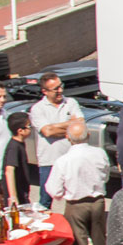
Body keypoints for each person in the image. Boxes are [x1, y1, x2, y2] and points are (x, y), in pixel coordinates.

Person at [43, 118, 110, 245]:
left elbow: (53, 189)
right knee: (100, 242)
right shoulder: (100, 153)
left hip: (75, 205)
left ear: (67, 138)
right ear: (88, 135)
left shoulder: (63, 161)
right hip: (97, 202)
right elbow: (105, 175)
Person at [28, 71, 84, 209]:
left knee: (76, 198)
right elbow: (47, 131)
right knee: (45, 201)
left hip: (71, 159)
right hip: (49, 162)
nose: (60, 91)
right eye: (56, 89)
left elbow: (81, 125)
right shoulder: (38, 109)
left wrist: (54, 127)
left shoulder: (71, 103)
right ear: (44, 91)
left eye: (61, 86)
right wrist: (70, 125)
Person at [2, 113, 36, 245]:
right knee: (18, 229)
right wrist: (13, 197)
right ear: (20, 130)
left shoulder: (19, 144)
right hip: (17, 196)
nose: (31, 129)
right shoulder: (14, 147)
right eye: (29, 126)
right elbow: (9, 171)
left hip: (22, 192)